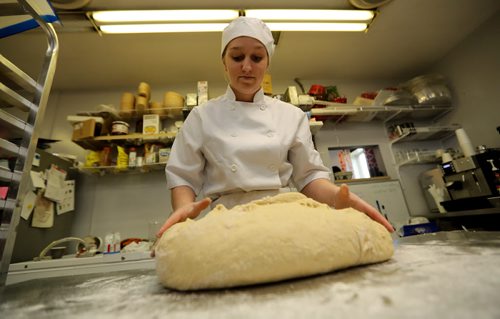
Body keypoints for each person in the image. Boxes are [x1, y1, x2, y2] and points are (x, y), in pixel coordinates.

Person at [158, 17, 394, 238]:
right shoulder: (202, 116)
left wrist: (338, 197)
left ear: (267, 63)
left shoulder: (291, 116)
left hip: (284, 216)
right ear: (224, 63)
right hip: (226, 223)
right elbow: (183, 176)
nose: (247, 67)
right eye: (237, 57)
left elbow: (309, 177)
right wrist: (183, 209)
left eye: (257, 58)